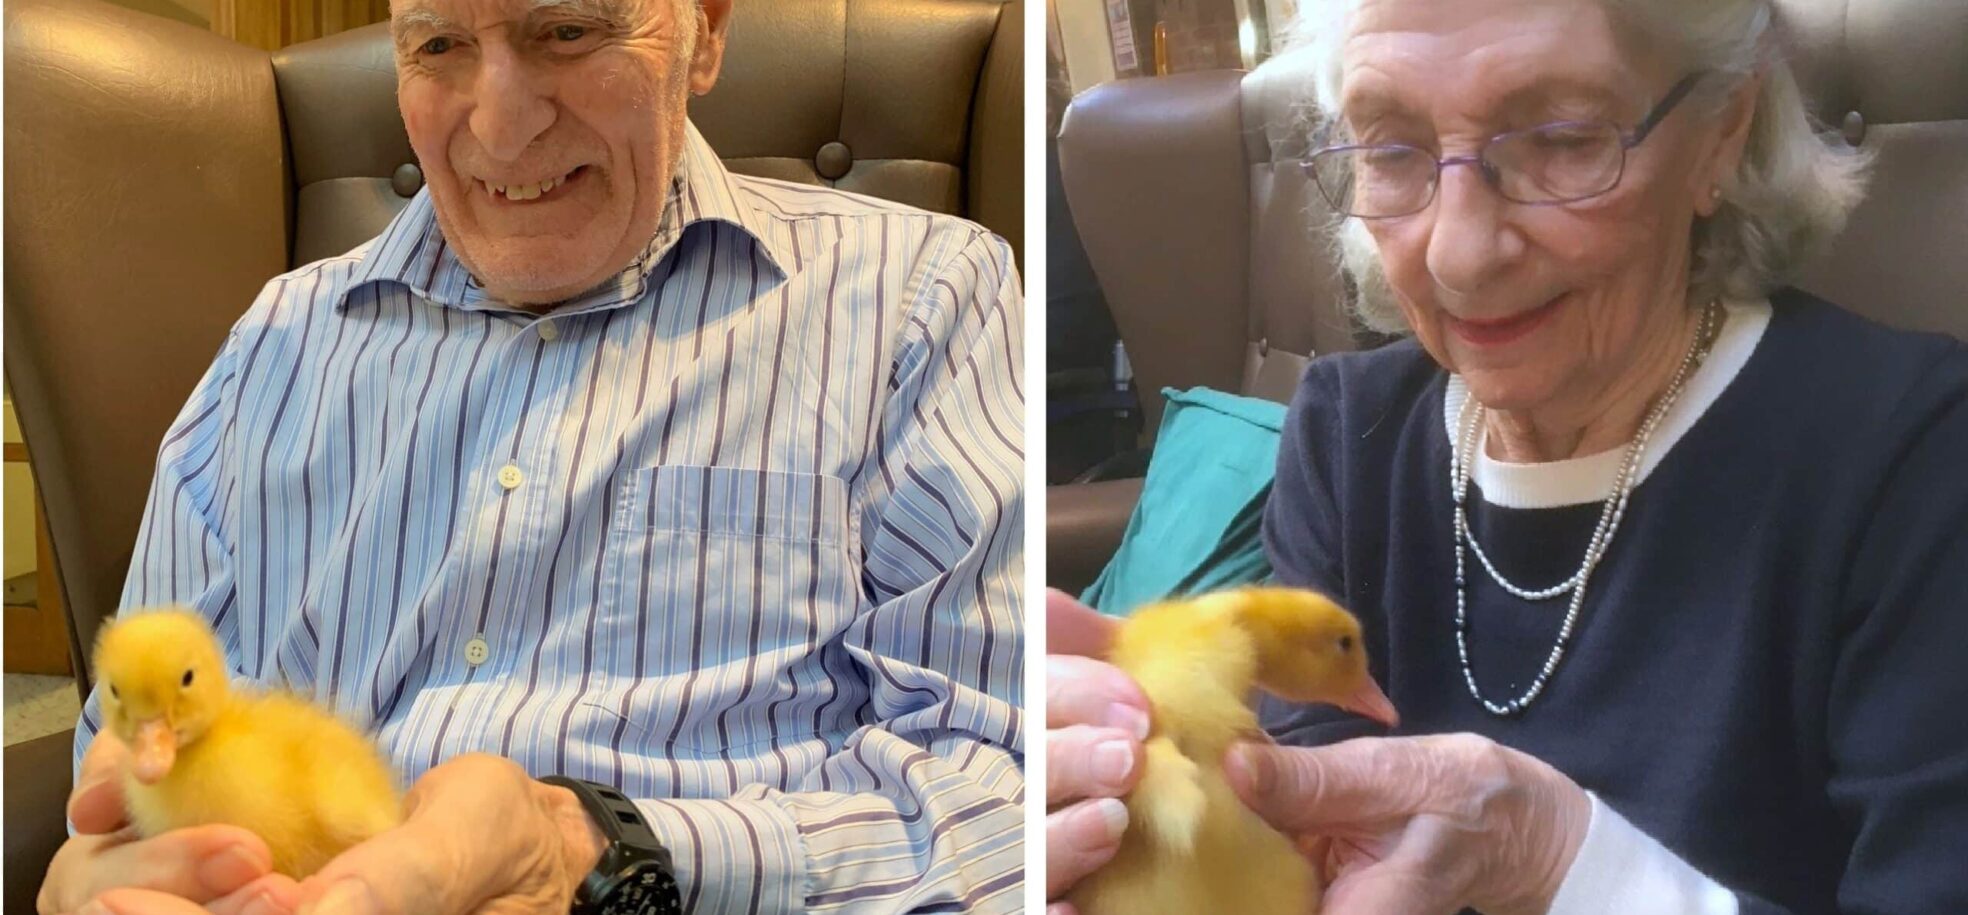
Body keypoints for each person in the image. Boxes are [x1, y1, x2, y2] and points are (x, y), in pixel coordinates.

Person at [39, 1, 1025, 913]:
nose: (502, 128)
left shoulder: (918, 300)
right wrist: (100, 876)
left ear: (706, 32)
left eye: (567, 30)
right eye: (439, 46)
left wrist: (599, 854)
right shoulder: (275, 346)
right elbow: (127, 757)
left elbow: (1008, 792)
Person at [1047, 0, 1968, 912]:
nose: (1460, 254)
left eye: (1562, 138)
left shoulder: (1917, 456)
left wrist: (1567, 863)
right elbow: (1306, 834)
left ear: (1720, 133)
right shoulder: (1343, 435)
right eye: (1394, 150)